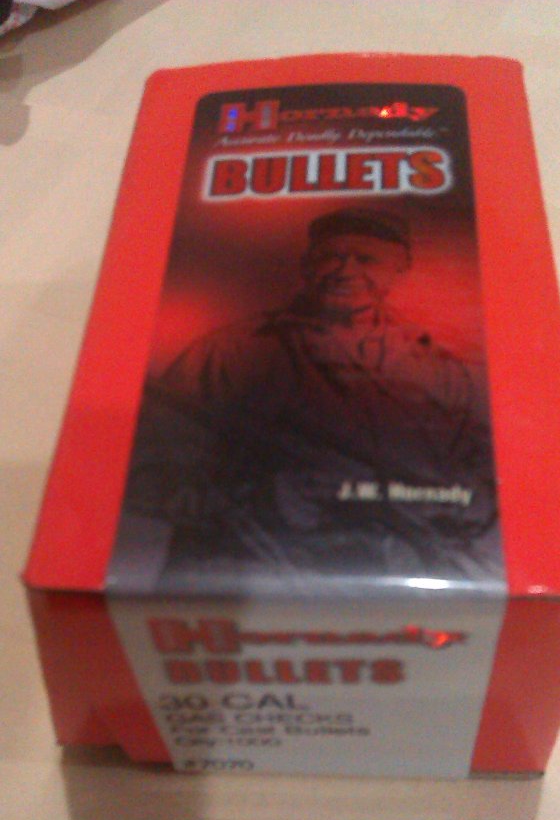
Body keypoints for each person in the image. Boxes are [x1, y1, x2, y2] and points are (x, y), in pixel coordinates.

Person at [119, 207, 501, 590]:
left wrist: (462, 502)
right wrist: (261, 498)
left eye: (366, 259)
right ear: (307, 265)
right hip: (249, 574)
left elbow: (484, 472)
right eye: (330, 257)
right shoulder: (232, 351)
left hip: (394, 580)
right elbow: (145, 472)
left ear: (399, 269)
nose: (346, 271)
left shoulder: (438, 367)